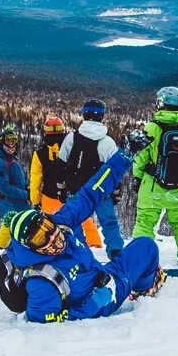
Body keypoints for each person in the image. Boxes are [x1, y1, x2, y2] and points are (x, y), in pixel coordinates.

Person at [0, 138, 163, 323]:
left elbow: (91, 192)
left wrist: (123, 156)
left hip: (102, 274)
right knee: (148, 250)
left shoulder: (61, 222)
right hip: (104, 297)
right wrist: (96, 302)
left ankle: (138, 283)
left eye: (48, 227)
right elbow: (45, 325)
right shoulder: (42, 281)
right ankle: (143, 288)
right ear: (29, 247)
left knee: (145, 245)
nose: (52, 238)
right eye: (40, 239)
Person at [131, 86, 178, 266]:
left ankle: (140, 262)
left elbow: (141, 156)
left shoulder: (152, 127)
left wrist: (137, 177)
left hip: (153, 185)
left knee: (145, 223)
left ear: (161, 103)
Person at [58, 99, 124, 255]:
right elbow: (115, 171)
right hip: (101, 193)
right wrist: (116, 192)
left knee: (74, 224)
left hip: (76, 191)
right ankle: (116, 255)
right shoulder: (107, 142)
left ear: (84, 115)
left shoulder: (71, 138)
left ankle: (78, 253)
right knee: (109, 224)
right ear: (102, 117)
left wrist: (60, 189)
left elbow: (60, 166)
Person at [0, 124, 32, 248]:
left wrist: (27, 187)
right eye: (8, 140)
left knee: (19, 231)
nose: (11, 144)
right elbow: (4, 188)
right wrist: (25, 194)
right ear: (2, 142)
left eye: (14, 141)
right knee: (11, 228)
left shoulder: (10, 158)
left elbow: (17, 180)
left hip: (19, 202)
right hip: (9, 203)